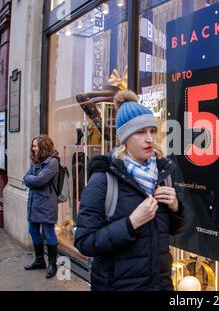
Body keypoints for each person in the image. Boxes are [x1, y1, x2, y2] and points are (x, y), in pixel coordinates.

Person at [74, 90, 186, 291]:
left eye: (152, 131)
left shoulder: (162, 174)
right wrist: (131, 223)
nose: (150, 138)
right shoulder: (103, 179)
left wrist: (176, 208)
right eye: (141, 132)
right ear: (124, 137)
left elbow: (173, 230)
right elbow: (84, 242)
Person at [23, 135, 60, 279]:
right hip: (34, 202)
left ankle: (52, 264)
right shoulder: (36, 160)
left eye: (35, 146)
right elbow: (28, 177)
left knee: (48, 232)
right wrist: (30, 179)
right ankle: (39, 261)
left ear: (43, 146)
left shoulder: (53, 162)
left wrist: (29, 179)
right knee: (32, 229)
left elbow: (39, 181)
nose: (33, 149)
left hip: (46, 202)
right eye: (33, 146)